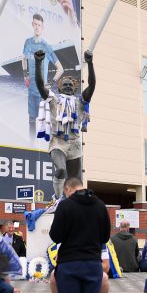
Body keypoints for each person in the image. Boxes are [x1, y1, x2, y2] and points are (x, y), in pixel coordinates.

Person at [34, 49, 95, 200]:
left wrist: (90, 63)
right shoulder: (54, 99)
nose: (67, 86)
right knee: (60, 170)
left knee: (77, 183)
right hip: (58, 142)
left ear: (75, 88)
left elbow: (92, 85)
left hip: (74, 144)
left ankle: (74, 204)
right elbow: (40, 85)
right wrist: (38, 63)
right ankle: (58, 197)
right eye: (65, 85)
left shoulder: (81, 101)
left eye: (70, 85)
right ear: (59, 88)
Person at [21, 13, 63, 139]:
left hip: (42, 93)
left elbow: (60, 69)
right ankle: (31, 145)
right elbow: (23, 58)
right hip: (31, 92)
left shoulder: (46, 46)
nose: (37, 27)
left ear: (42, 27)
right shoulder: (28, 42)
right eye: (35, 24)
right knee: (31, 121)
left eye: (40, 25)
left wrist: (50, 83)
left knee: (43, 125)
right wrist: (25, 75)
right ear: (32, 25)